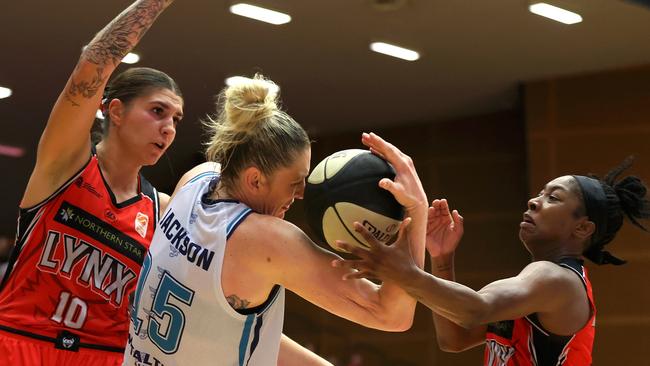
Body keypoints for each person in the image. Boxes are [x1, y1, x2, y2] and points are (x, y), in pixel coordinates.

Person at [124, 75, 429, 365]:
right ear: (255, 180)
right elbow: (392, 314)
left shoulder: (196, 179)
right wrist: (416, 212)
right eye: (295, 183)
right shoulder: (265, 240)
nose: (300, 195)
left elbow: (221, 326)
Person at [0, 0, 183, 364]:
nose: (169, 128)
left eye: (177, 119)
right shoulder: (66, 162)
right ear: (114, 110)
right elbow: (95, 60)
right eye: (158, 111)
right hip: (19, 343)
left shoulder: (163, 210)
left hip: (104, 356)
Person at [334, 159, 650, 365]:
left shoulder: (557, 280)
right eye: (540, 193)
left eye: (553, 198)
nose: (534, 201)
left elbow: (475, 309)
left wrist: (403, 272)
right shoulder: (535, 287)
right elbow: (453, 338)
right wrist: (442, 259)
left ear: (583, 228)